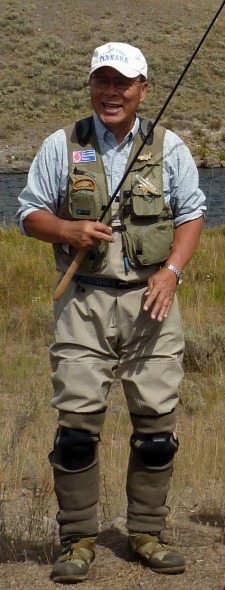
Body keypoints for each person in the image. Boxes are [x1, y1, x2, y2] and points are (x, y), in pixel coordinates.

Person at [16, 41, 206, 583]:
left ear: (143, 88)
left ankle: (147, 532)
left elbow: (192, 213)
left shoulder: (170, 147)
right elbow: (29, 212)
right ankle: (77, 541)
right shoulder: (62, 144)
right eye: (103, 81)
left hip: (153, 300)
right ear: (92, 86)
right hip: (83, 302)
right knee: (76, 428)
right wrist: (67, 229)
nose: (112, 92)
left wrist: (171, 272)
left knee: (156, 428)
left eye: (123, 83)